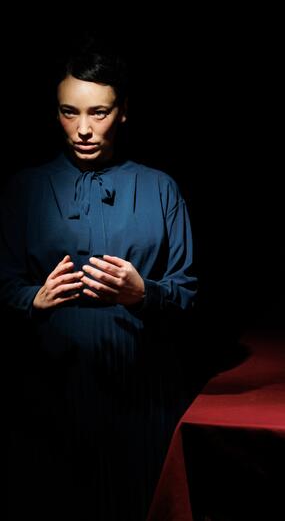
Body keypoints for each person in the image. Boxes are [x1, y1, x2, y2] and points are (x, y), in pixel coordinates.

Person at [0, 39, 197, 520]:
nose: (84, 129)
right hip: (52, 387)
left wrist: (143, 293)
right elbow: (1, 285)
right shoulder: (25, 187)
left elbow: (188, 291)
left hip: (140, 386)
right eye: (70, 113)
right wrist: (33, 301)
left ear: (123, 112)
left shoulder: (159, 187)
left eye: (99, 112)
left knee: (140, 500)